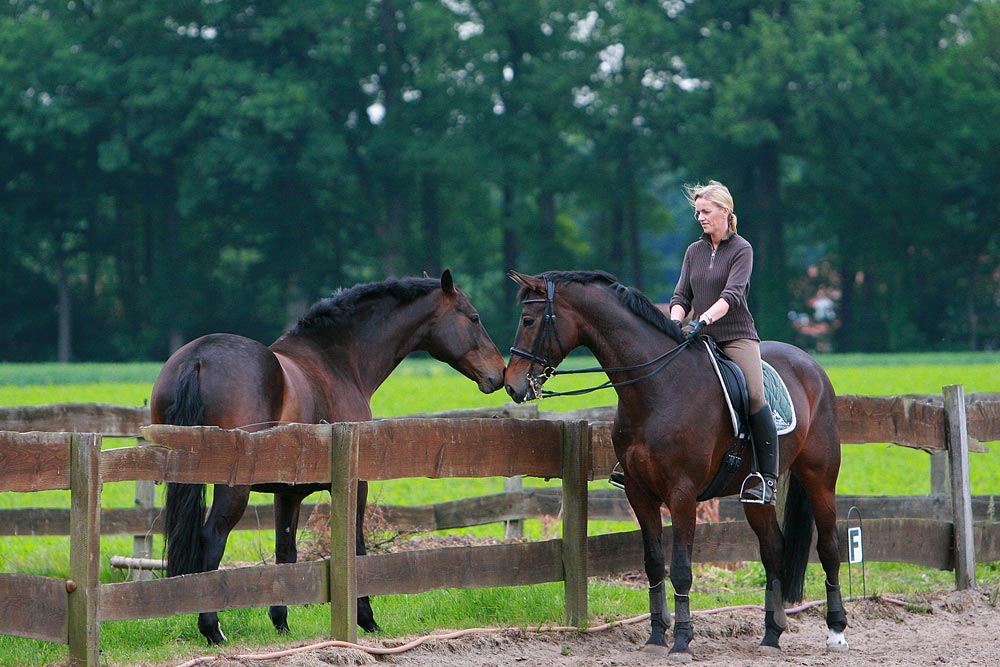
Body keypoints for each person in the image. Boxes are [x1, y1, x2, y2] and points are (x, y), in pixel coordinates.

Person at [668, 180, 778, 505]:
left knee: (755, 396)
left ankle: (766, 478)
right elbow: (680, 295)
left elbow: (732, 295)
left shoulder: (742, 249)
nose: (700, 217)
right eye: (697, 212)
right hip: (698, 337)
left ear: (724, 212)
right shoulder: (693, 251)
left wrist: (702, 319)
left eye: (705, 211)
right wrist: (676, 323)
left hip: (735, 336)